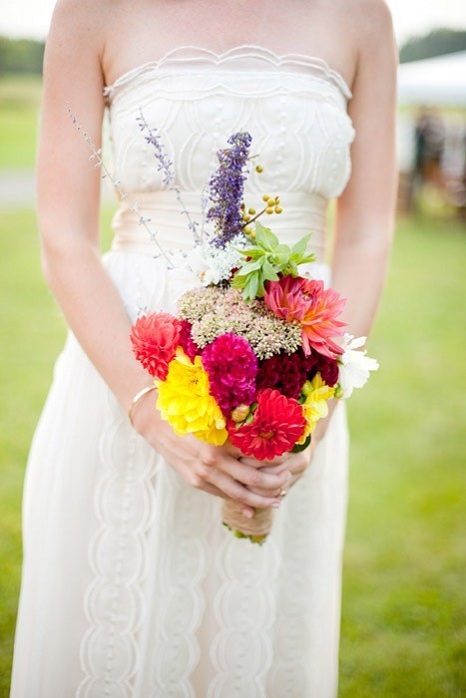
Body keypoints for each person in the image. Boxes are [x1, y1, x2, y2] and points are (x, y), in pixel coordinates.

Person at [10, 0, 397, 695]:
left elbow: (368, 231)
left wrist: (318, 404)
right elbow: (63, 234)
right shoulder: (91, 11)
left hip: (295, 375)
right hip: (128, 373)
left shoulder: (362, 15)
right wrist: (148, 408)